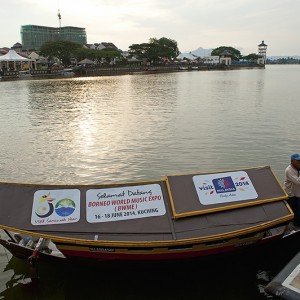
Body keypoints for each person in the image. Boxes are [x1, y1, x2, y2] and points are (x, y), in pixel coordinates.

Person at [284, 153, 300, 228]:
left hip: (297, 193)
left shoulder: (298, 168)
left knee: (297, 209)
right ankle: (288, 225)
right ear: (292, 161)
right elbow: (297, 181)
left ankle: (296, 223)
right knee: (290, 210)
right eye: (297, 161)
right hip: (290, 194)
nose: (299, 162)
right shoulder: (288, 170)